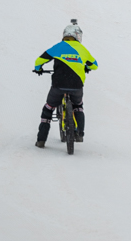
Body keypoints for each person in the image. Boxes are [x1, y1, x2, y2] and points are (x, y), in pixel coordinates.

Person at [33, 19, 97, 147]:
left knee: (48, 108)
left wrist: (38, 69)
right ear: (77, 36)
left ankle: (41, 140)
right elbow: (94, 65)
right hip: (77, 86)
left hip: (58, 85)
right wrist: (86, 67)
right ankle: (80, 133)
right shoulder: (82, 49)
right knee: (78, 106)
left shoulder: (58, 47)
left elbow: (39, 61)